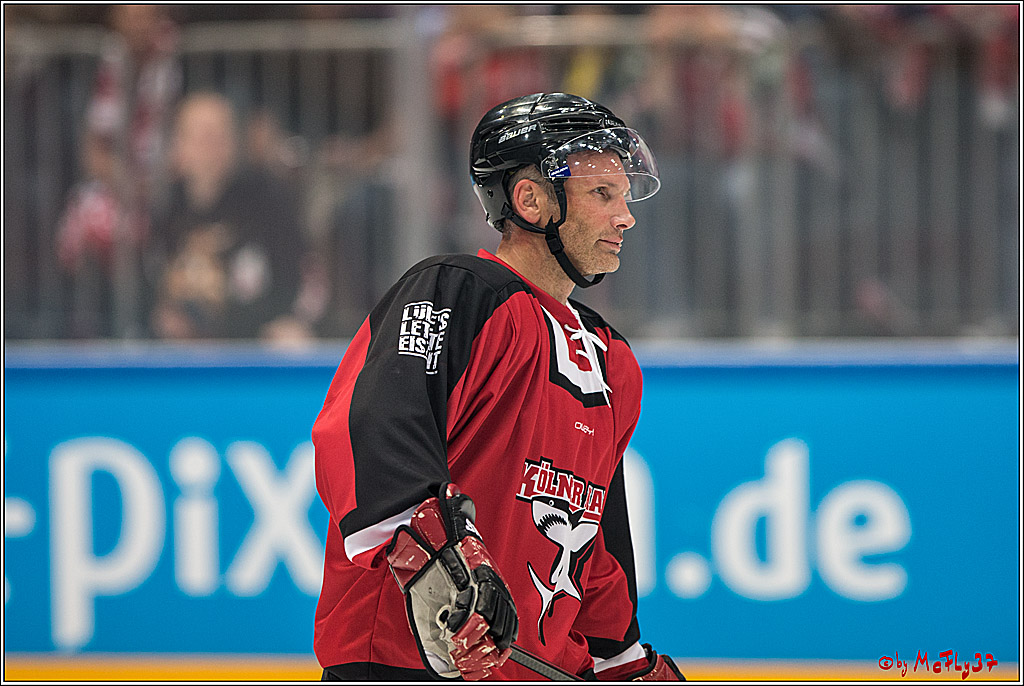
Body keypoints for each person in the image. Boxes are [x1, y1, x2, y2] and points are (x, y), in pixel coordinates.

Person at [312, 92, 684, 681]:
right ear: (531, 200)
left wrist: (620, 659)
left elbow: (597, 537)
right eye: (601, 194)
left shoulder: (613, 362)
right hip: (406, 664)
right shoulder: (455, 292)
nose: (626, 216)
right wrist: (440, 562)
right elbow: (374, 426)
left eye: (624, 194)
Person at [148, 92, 310, 342]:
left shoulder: (266, 200)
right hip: (184, 346)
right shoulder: (164, 209)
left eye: (221, 134)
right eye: (203, 136)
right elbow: (149, 286)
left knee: (292, 340)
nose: (214, 146)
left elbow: (292, 281)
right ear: (178, 145)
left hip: (254, 335)